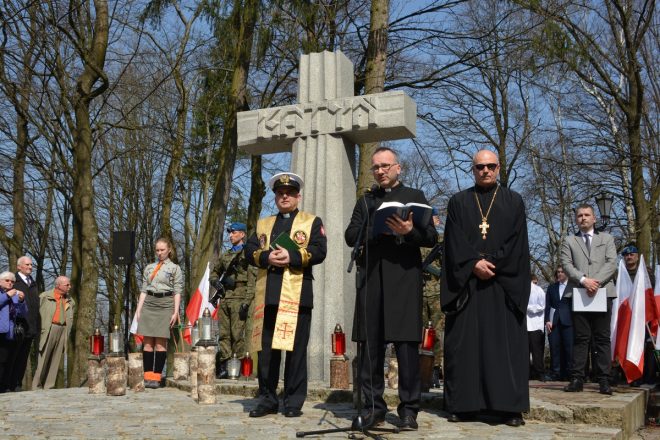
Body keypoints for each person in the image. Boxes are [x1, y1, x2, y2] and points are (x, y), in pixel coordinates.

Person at [345, 147, 437, 431]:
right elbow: (350, 235)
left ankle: (409, 411)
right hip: (372, 278)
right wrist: (376, 229)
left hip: (405, 279)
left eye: (386, 166)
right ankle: (374, 408)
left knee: (406, 347)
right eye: (376, 167)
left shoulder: (415, 196)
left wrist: (409, 232)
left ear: (398, 168)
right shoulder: (366, 200)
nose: (380, 171)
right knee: (370, 346)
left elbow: (431, 237)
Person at [441, 149, 531, 427]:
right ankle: (463, 406)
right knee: (465, 347)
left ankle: (508, 408)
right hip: (467, 285)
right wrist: (472, 264)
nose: (486, 171)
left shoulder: (513, 201)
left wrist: (491, 263)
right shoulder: (458, 202)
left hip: (502, 284)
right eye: (480, 167)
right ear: (473, 170)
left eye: (491, 166)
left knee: (503, 348)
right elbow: (453, 240)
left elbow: (517, 242)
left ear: (499, 168)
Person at [244, 172, 326, 418]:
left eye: (290, 193)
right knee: (266, 352)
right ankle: (267, 399)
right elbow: (249, 250)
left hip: (298, 296)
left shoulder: (312, 221)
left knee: (296, 351)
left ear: (298, 196)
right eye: (280, 193)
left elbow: (319, 250)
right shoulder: (263, 224)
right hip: (268, 295)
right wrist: (266, 256)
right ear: (275, 197)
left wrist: (292, 256)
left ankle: (293, 402)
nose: (285, 197)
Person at [561, 204, 617, 395]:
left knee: (602, 337)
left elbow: (612, 263)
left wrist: (595, 282)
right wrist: (584, 280)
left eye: (587, 215)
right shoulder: (569, 240)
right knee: (580, 337)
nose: (583, 218)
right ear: (576, 219)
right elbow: (566, 264)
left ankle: (604, 379)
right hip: (578, 293)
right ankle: (577, 378)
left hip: (603, 292)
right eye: (580, 215)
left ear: (594, 218)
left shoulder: (607, 238)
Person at [135, 237, 183, 389]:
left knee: (160, 343)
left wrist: (175, 311)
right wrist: (139, 309)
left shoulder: (175, 268)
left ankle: (156, 377)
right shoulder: (149, 267)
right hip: (149, 303)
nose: (159, 253)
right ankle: (147, 376)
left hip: (165, 304)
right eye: (157, 250)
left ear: (169, 250)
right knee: (148, 343)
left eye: (162, 250)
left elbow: (177, 291)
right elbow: (144, 290)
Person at [210, 221, 256, 378]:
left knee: (237, 334)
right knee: (224, 334)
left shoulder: (247, 254)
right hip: (225, 297)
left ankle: (239, 366)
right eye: (229, 232)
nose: (230, 235)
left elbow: (252, 281)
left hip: (240, 298)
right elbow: (214, 272)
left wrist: (247, 302)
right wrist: (216, 282)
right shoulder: (225, 255)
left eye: (234, 232)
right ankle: (224, 365)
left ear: (242, 234)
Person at [621, 244, 656, 385]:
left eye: (632, 254)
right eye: (626, 255)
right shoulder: (620, 274)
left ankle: (643, 375)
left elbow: (650, 292)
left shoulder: (646, 273)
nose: (629, 257)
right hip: (625, 315)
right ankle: (627, 374)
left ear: (637, 256)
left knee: (642, 345)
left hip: (642, 315)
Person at [32, 276, 75, 390]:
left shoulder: (70, 300)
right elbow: (36, 314)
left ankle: (49, 387)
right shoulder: (44, 297)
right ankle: (36, 387)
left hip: (63, 330)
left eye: (69, 284)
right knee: (43, 358)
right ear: (58, 285)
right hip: (49, 329)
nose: (69, 287)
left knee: (56, 360)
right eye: (67, 285)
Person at [5, 256, 40, 391]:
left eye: (31, 265)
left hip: (30, 326)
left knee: (23, 358)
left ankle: (17, 383)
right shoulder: (13, 281)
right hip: (17, 327)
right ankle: (7, 384)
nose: (30, 267)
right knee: (12, 356)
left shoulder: (33, 283)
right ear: (19, 266)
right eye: (27, 264)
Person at [421, 208, 443, 388]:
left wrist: (432, 269)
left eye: (434, 218)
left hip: (436, 293)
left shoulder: (441, 241)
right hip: (419, 292)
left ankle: (435, 369)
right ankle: (422, 370)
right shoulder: (418, 240)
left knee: (437, 334)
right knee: (421, 334)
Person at [544, 267, 573, 381]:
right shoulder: (552, 287)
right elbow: (547, 305)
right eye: (558, 272)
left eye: (562, 272)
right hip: (554, 321)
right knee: (554, 347)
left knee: (569, 348)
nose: (560, 274)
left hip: (569, 321)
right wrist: (547, 320)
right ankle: (556, 372)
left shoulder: (573, 287)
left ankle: (569, 373)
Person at [0, 272, 27, 392]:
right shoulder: (7, 294)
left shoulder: (14, 294)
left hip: (11, 332)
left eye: (12, 281)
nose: (10, 283)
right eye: (7, 280)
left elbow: (23, 313)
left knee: (8, 360)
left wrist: (21, 301)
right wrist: (7, 296)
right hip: (1, 331)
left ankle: (5, 386)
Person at [527, 275, 546, 381]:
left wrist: (527, 307)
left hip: (535, 324)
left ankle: (539, 372)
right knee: (526, 351)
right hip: (525, 324)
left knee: (536, 351)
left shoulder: (539, 291)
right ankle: (527, 372)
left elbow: (542, 306)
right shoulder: (523, 289)